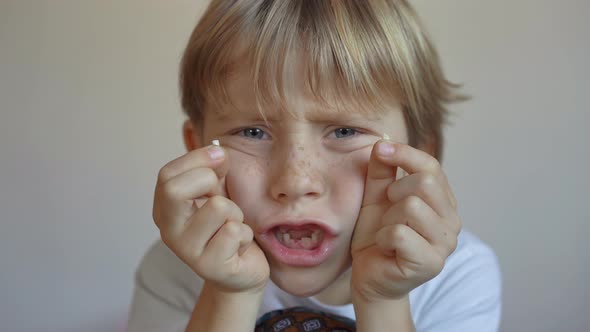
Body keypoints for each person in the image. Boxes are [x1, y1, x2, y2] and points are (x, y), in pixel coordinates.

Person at [127, 1, 502, 331]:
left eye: (344, 131)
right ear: (198, 152)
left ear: (418, 154)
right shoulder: (173, 271)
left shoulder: (457, 275)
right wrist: (229, 293)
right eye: (253, 132)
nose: (295, 180)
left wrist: (382, 300)